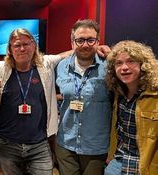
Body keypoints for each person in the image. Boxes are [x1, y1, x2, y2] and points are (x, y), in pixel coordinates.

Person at [0, 28, 73, 175]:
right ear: (9, 49)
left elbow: (66, 54)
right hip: (7, 145)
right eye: (16, 45)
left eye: (26, 44)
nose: (22, 48)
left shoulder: (45, 64)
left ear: (34, 46)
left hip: (39, 145)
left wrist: (99, 48)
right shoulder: (0, 67)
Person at [55, 19, 112, 175]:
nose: (85, 45)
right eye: (80, 40)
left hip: (96, 146)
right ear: (72, 43)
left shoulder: (110, 66)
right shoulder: (61, 66)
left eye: (90, 40)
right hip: (65, 144)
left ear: (97, 41)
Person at [104, 40, 158, 175]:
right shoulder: (118, 93)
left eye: (131, 61)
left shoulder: (155, 95)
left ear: (143, 65)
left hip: (146, 166)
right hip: (118, 162)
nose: (124, 67)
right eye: (118, 63)